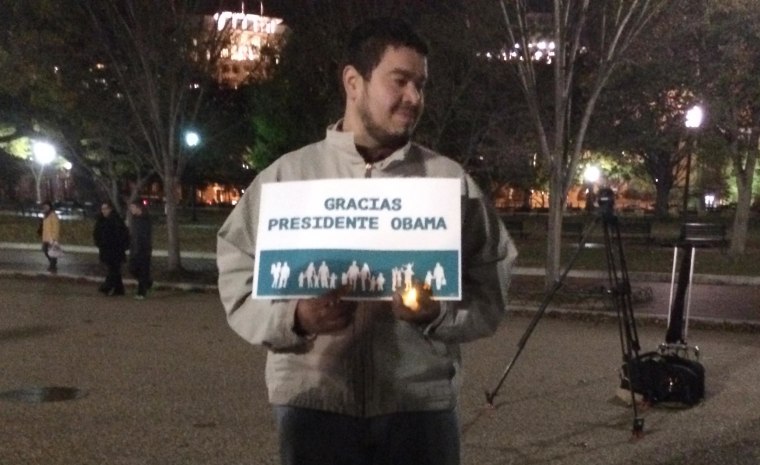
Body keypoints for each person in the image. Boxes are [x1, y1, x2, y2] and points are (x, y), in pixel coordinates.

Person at [216, 18, 517, 465]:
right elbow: (237, 278)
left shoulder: (450, 184)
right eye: (400, 81)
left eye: (421, 85)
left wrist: (438, 314)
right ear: (354, 82)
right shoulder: (285, 177)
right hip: (313, 404)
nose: (414, 98)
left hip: (419, 408)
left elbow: (491, 283)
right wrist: (295, 316)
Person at [93, 202, 129, 296]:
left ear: (110, 209)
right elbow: (96, 233)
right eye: (102, 209)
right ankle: (119, 289)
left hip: (115, 249)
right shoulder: (101, 220)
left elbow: (122, 235)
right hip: (106, 249)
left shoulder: (116, 221)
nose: (104, 211)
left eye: (106, 209)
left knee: (113, 270)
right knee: (114, 269)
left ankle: (107, 286)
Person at [128, 200, 153, 300]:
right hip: (135, 248)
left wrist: (143, 248)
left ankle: (141, 292)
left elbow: (145, 236)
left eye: (133, 207)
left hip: (143, 249)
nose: (131, 210)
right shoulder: (134, 219)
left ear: (139, 208)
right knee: (132, 269)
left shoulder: (145, 219)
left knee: (143, 271)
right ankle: (147, 282)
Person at [39, 201, 61, 273]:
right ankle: (53, 263)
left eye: (47, 206)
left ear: (50, 207)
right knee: (46, 251)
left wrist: (54, 237)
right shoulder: (45, 215)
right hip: (46, 237)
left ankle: (52, 265)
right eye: (44, 206)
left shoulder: (53, 215)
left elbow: (56, 227)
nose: (45, 208)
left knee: (52, 252)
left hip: (51, 238)